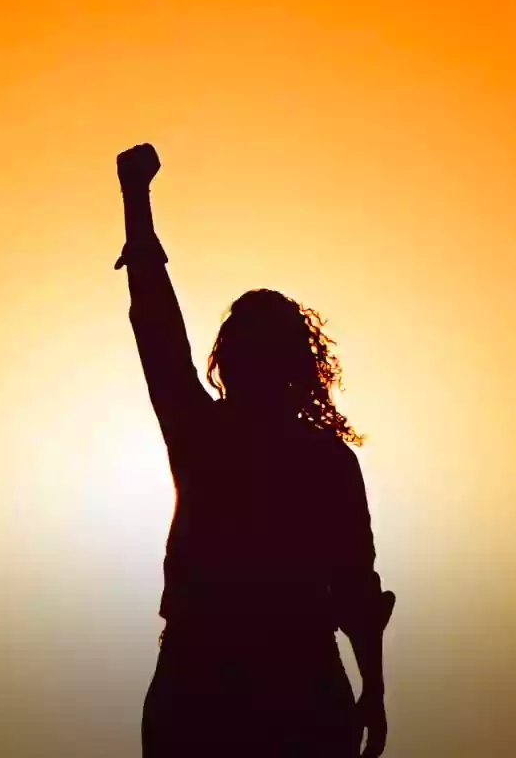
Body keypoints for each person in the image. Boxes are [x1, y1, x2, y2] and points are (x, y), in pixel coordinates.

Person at [115, 143, 395, 757]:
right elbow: (156, 324)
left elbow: (355, 587)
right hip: (244, 687)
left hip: (239, 690)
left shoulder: (212, 437)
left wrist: (136, 200)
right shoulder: (307, 456)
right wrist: (372, 689)